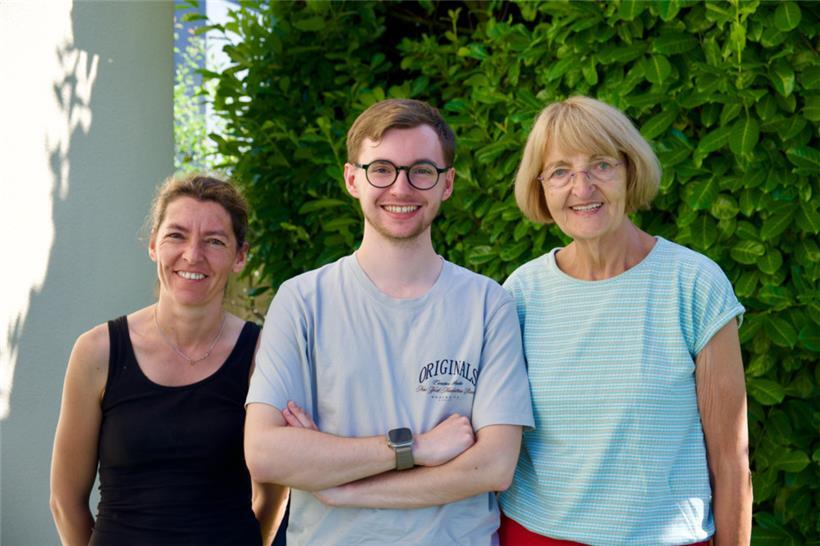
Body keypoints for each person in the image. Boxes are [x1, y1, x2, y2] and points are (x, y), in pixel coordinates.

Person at [244, 98, 535, 545]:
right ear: (351, 179)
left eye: (422, 170)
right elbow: (265, 454)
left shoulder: (487, 304)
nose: (400, 188)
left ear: (448, 184)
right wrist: (415, 447)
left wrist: (343, 487)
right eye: (381, 169)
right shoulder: (302, 300)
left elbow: (493, 466)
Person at [498, 96, 752, 546]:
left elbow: (731, 461)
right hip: (536, 536)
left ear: (630, 171)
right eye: (560, 171)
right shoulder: (521, 293)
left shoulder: (692, 284)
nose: (582, 188)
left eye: (601, 165)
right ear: (540, 189)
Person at [50, 174, 287, 545]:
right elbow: (66, 502)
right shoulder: (97, 352)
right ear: (153, 245)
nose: (193, 255)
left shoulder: (263, 355)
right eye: (176, 235)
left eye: (214, 241)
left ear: (240, 256)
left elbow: (273, 492)